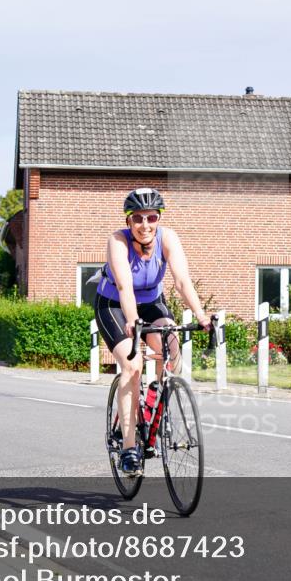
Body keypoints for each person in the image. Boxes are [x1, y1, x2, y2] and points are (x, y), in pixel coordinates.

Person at [91, 188, 212, 476]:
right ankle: (130, 446)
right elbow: (123, 287)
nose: (145, 224)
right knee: (132, 366)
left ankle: (152, 399)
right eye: (138, 219)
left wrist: (201, 315)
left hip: (153, 302)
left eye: (151, 218)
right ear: (129, 221)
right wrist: (132, 320)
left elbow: (182, 281)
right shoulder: (117, 241)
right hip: (115, 305)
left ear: (158, 219)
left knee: (171, 352)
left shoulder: (167, 238)